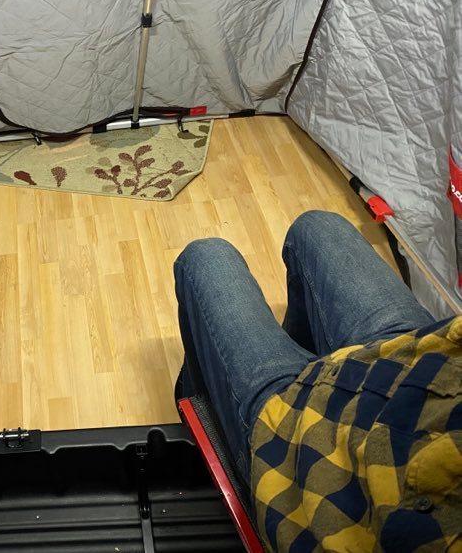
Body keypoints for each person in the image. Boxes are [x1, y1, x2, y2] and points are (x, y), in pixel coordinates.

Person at [173, 210, 461, 552]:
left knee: (206, 259)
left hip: (302, 445)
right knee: (317, 226)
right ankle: (296, 354)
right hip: (415, 359)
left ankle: (207, 416)